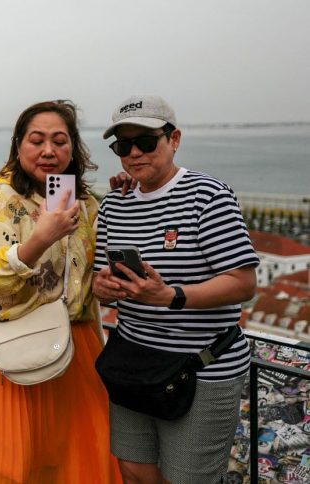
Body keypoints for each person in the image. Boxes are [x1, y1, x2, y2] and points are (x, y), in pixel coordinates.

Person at [0, 100, 121, 483]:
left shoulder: (83, 202)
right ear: (18, 145)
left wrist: (125, 197)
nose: (49, 151)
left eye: (60, 141)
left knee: (87, 454)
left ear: (73, 148)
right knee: (23, 465)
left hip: (76, 340)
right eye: (37, 140)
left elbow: (87, 272)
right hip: (14, 342)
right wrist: (42, 237)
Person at [93, 95, 258, 484]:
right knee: (133, 468)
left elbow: (243, 282)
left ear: (175, 139)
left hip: (200, 368)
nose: (134, 153)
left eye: (147, 142)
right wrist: (102, 288)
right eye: (123, 146)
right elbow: (104, 284)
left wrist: (171, 296)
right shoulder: (114, 206)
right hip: (134, 360)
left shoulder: (208, 196)